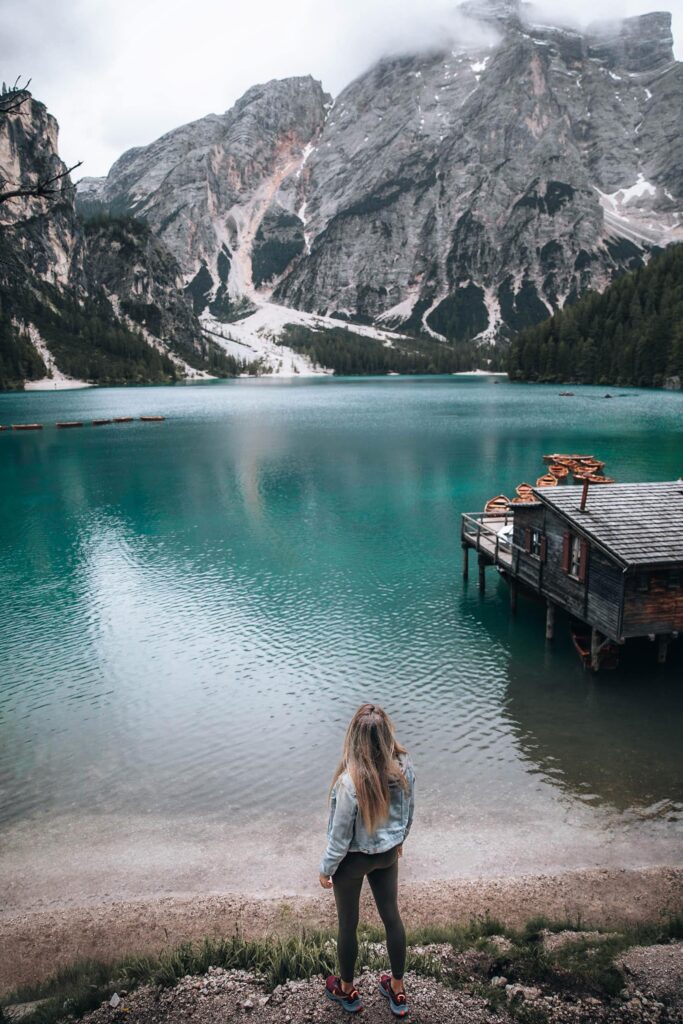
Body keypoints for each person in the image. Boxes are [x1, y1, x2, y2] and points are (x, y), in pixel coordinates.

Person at [319, 703, 415, 1017]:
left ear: (355, 738)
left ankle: (347, 990)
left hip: (354, 861)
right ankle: (397, 989)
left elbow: (340, 836)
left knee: (348, 925)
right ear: (387, 734)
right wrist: (400, 841)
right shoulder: (404, 767)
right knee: (392, 917)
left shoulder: (349, 783)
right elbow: (408, 813)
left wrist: (326, 869)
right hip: (387, 855)